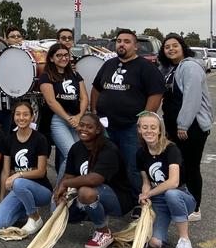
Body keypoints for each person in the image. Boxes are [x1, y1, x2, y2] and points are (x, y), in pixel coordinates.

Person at [91, 28, 164, 196]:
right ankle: (118, 197)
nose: (121, 44)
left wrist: (144, 120)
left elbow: (156, 94)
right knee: (109, 163)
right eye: (119, 41)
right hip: (106, 126)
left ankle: (143, 200)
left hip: (131, 127)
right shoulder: (109, 64)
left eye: (126, 41)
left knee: (134, 166)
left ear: (136, 46)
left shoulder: (146, 67)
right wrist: (94, 110)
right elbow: (96, 88)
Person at [52, 113, 134, 248]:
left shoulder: (108, 148)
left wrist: (65, 184)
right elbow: (68, 175)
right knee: (64, 214)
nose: (84, 129)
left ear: (98, 130)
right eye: (81, 125)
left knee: (85, 192)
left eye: (89, 127)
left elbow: (94, 179)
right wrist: (60, 190)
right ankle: (92, 212)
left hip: (118, 198)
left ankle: (103, 231)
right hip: (95, 192)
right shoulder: (76, 148)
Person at [158, 33, 212, 221]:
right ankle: (181, 203)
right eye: (167, 47)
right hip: (175, 126)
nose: (171, 49)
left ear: (183, 47)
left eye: (175, 45)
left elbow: (192, 98)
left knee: (190, 167)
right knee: (177, 166)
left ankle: (195, 208)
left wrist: (183, 124)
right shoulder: (170, 69)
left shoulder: (189, 67)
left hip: (192, 127)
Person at [136, 111, 196, 248]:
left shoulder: (171, 149)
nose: (149, 130)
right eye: (144, 127)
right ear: (139, 129)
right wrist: (144, 195)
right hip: (159, 201)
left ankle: (184, 240)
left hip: (180, 196)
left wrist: (149, 194)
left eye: (153, 127)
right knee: (155, 243)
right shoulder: (140, 153)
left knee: (171, 194)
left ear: (160, 130)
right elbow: (146, 182)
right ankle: (161, 232)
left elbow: (173, 182)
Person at [0, 101, 52, 235]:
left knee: (18, 182)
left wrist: (18, 174)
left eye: (25, 114)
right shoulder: (9, 140)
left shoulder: (40, 139)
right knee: (0, 223)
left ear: (32, 117)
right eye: (18, 114)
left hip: (41, 190)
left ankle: (35, 218)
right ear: (13, 117)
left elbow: (41, 172)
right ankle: (27, 210)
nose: (21, 118)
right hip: (19, 188)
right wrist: (2, 200)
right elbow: (6, 171)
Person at [38, 42, 89, 179]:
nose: (63, 58)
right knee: (71, 153)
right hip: (58, 120)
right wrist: (69, 118)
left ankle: (68, 190)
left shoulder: (75, 75)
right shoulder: (46, 77)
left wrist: (79, 116)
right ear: (51, 58)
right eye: (59, 55)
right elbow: (51, 102)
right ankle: (59, 193)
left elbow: (84, 98)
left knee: (79, 152)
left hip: (76, 118)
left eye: (66, 55)